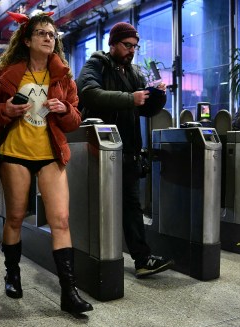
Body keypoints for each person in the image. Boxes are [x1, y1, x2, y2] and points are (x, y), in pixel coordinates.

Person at [0, 11, 92, 315]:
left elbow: (74, 121)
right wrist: (5, 109)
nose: (48, 38)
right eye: (42, 33)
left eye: (52, 34)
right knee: (15, 217)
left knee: (61, 220)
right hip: (15, 153)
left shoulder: (63, 76)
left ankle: (69, 291)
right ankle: (12, 273)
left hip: (51, 155)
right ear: (28, 39)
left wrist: (64, 108)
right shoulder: (6, 73)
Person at [76, 22, 174, 279]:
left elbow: (144, 109)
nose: (132, 51)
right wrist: (131, 98)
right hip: (98, 146)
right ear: (113, 44)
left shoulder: (133, 73)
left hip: (127, 148)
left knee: (131, 205)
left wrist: (157, 96)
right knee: (98, 203)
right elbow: (88, 94)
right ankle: (90, 255)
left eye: (135, 47)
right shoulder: (96, 64)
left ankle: (142, 259)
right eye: (127, 45)